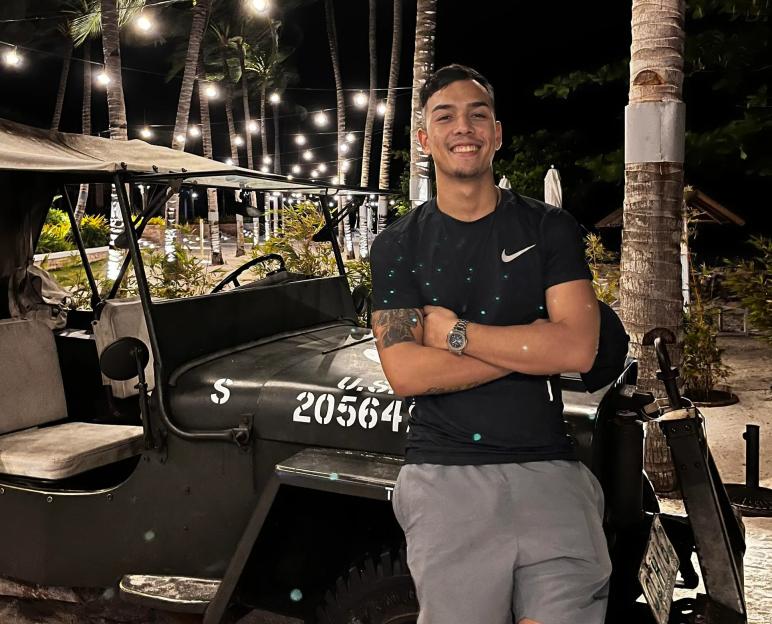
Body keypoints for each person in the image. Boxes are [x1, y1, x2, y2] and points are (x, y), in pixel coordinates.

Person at [369, 64, 612, 624]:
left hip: (551, 470)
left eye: (479, 115)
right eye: (446, 116)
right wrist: (531, 345)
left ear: (497, 133)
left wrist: (454, 335)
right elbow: (405, 373)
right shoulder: (397, 245)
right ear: (423, 139)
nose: (465, 127)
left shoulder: (549, 228)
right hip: (444, 473)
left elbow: (577, 350)